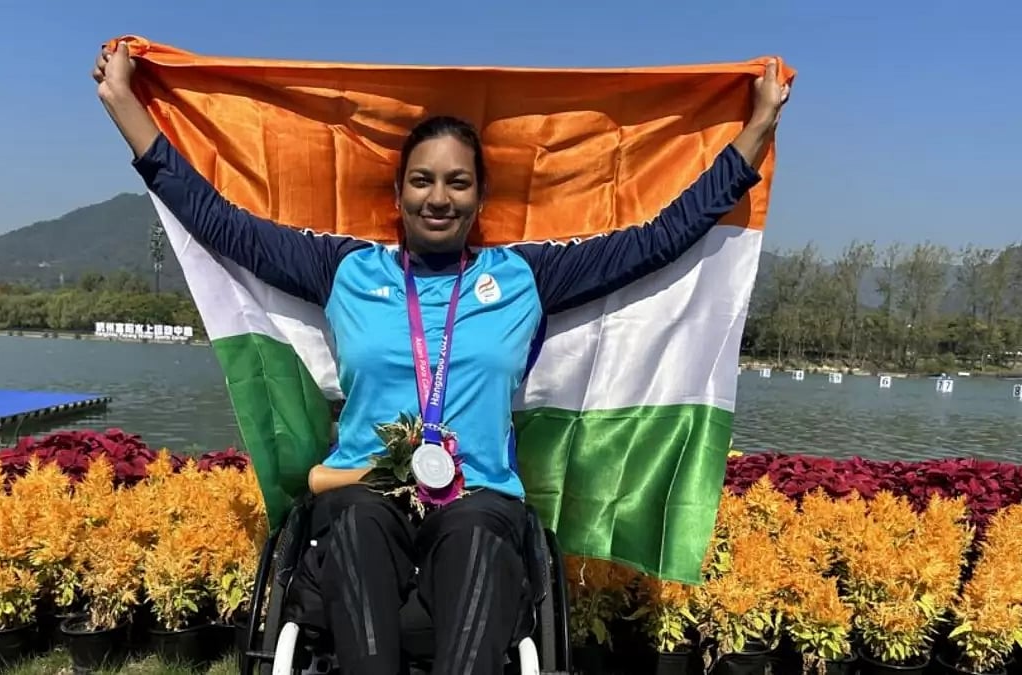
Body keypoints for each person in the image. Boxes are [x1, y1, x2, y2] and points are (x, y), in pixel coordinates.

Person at [93, 42, 789, 675]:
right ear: (397, 195)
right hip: (366, 490)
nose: (439, 197)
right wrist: (124, 104)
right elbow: (217, 220)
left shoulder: (522, 277)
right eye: (422, 181)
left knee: (482, 529)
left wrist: (754, 132)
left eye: (458, 182)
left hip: (479, 498)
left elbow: (656, 239)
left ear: (480, 199)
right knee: (361, 517)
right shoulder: (346, 271)